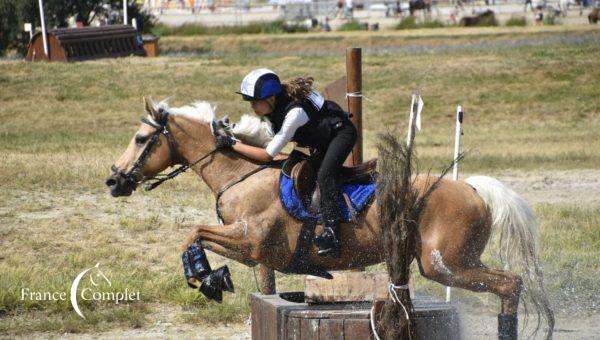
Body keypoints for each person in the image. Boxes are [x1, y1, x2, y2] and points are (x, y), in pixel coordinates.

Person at [215, 68, 357, 257]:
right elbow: (264, 136)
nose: (252, 107)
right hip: (322, 139)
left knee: (325, 176)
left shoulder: (295, 113)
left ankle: (333, 233)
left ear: (270, 98)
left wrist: (233, 144)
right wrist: (232, 131)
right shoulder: (276, 107)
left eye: (255, 102)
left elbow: (267, 155)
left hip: (342, 134)